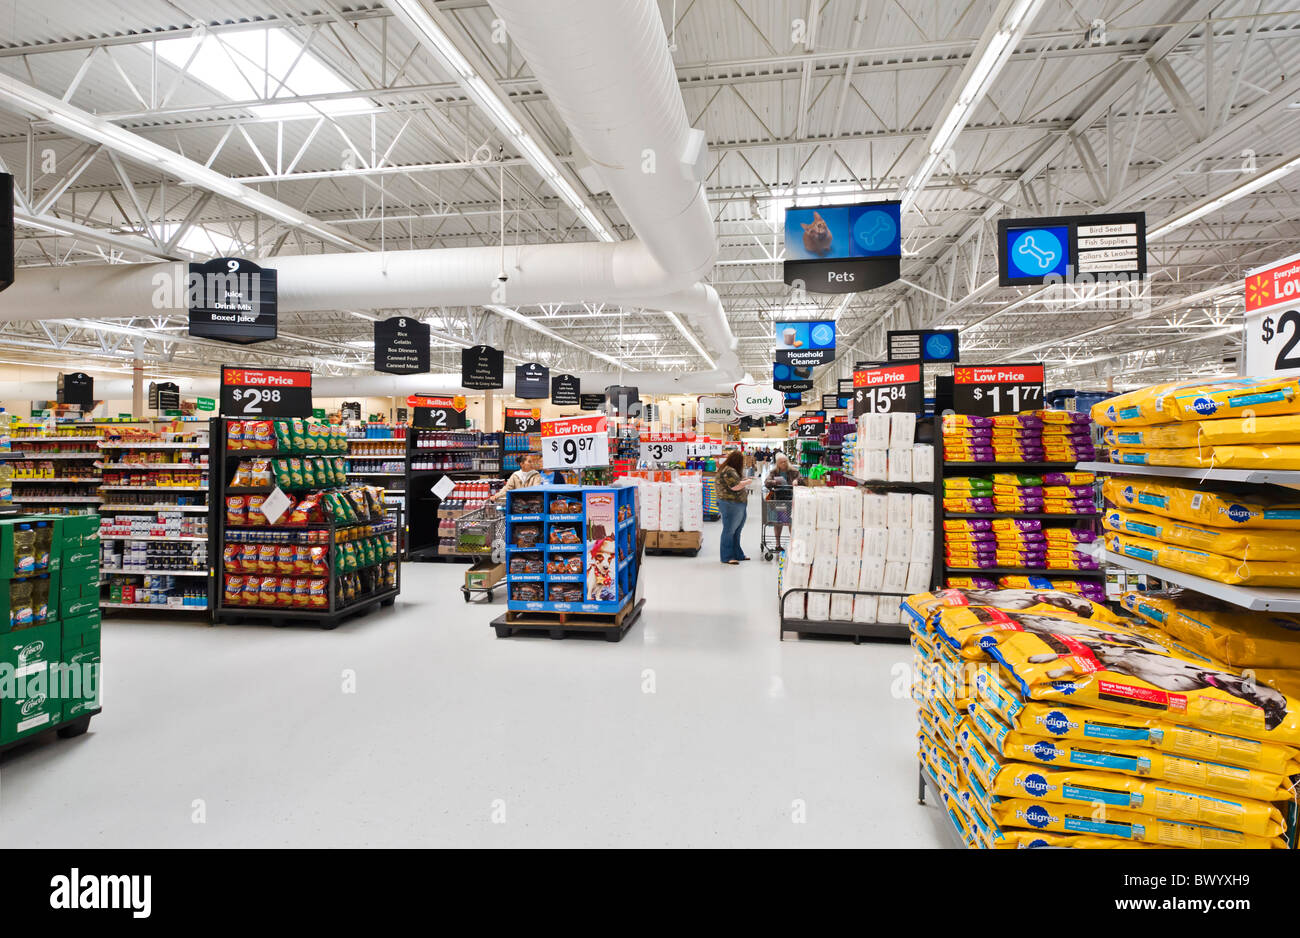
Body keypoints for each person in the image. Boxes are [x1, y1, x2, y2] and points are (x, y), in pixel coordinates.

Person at [717, 450, 755, 564]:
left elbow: (736, 482)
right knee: (729, 530)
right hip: (730, 503)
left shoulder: (730, 470)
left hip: (736, 504)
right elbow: (735, 486)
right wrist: (747, 482)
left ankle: (738, 554)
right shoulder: (729, 470)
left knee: (736, 530)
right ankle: (727, 556)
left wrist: (743, 481)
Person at [764, 453, 803, 551]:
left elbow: (802, 479)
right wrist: (774, 482)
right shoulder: (774, 472)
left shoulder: (793, 471)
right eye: (781, 462)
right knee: (779, 522)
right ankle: (778, 544)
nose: (784, 463)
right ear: (777, 463)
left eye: (785, 461)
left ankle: (793, 544)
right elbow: (766, 482)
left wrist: (797, 481)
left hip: (791, 499)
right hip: (779, 500)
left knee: (791, 522)